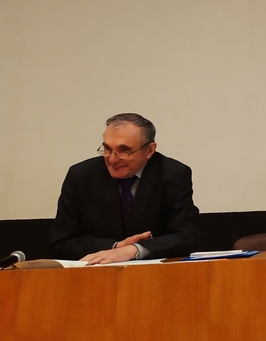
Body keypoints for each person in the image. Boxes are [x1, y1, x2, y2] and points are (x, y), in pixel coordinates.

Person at [49, 113, 199, 263]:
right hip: (95, 272)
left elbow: (186, 237)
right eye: (107, 148)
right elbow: (61, 242)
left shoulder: (173, 175)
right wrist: (116, 247)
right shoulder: (81, 176)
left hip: (155, 273)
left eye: (124, 150)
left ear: (149, 150)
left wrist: (134, 250)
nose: (112, 159)